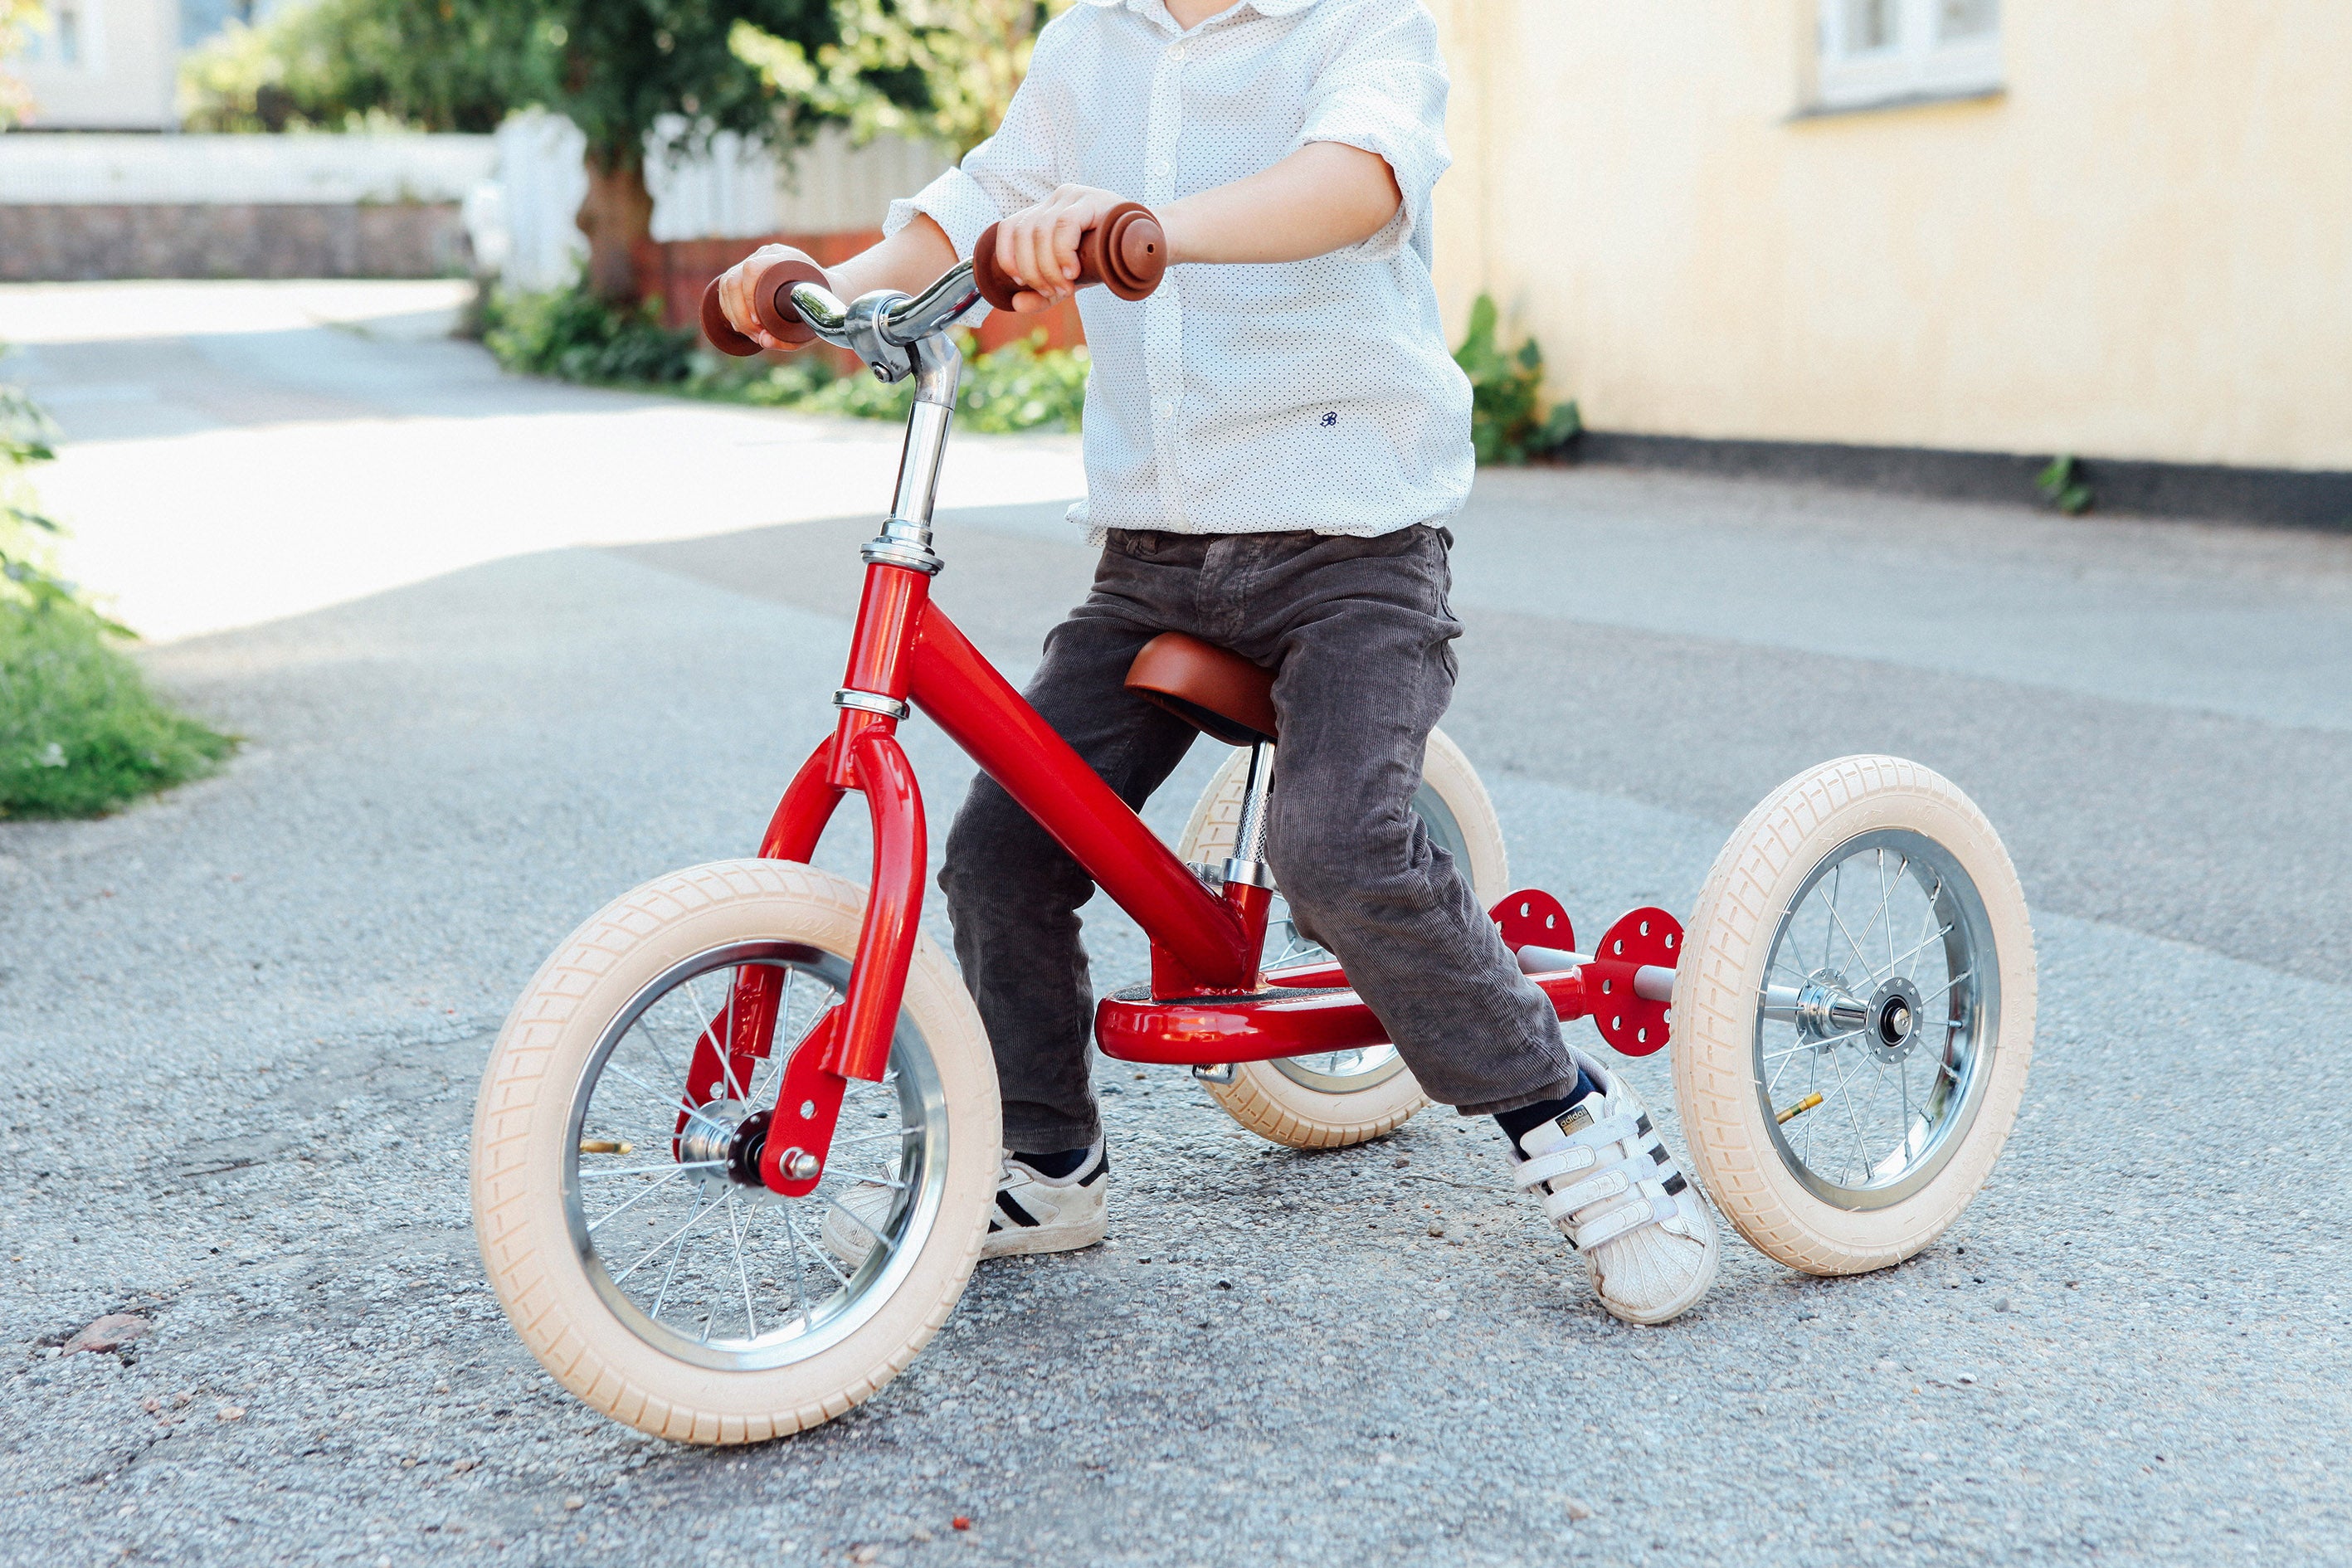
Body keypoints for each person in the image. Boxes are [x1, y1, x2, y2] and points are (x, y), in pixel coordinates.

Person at [714, 0, 1719, 1325]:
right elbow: (970, 205)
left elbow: (1352, 185)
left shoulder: (1360, 28)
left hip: (1353, 544)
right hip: (1154, 562)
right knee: (1000, 852)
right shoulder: (1091, 46)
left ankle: (1568, 1111)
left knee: (1338, 842)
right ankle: (1047, 1156)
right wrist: (833, 288)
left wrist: (1145, 228)